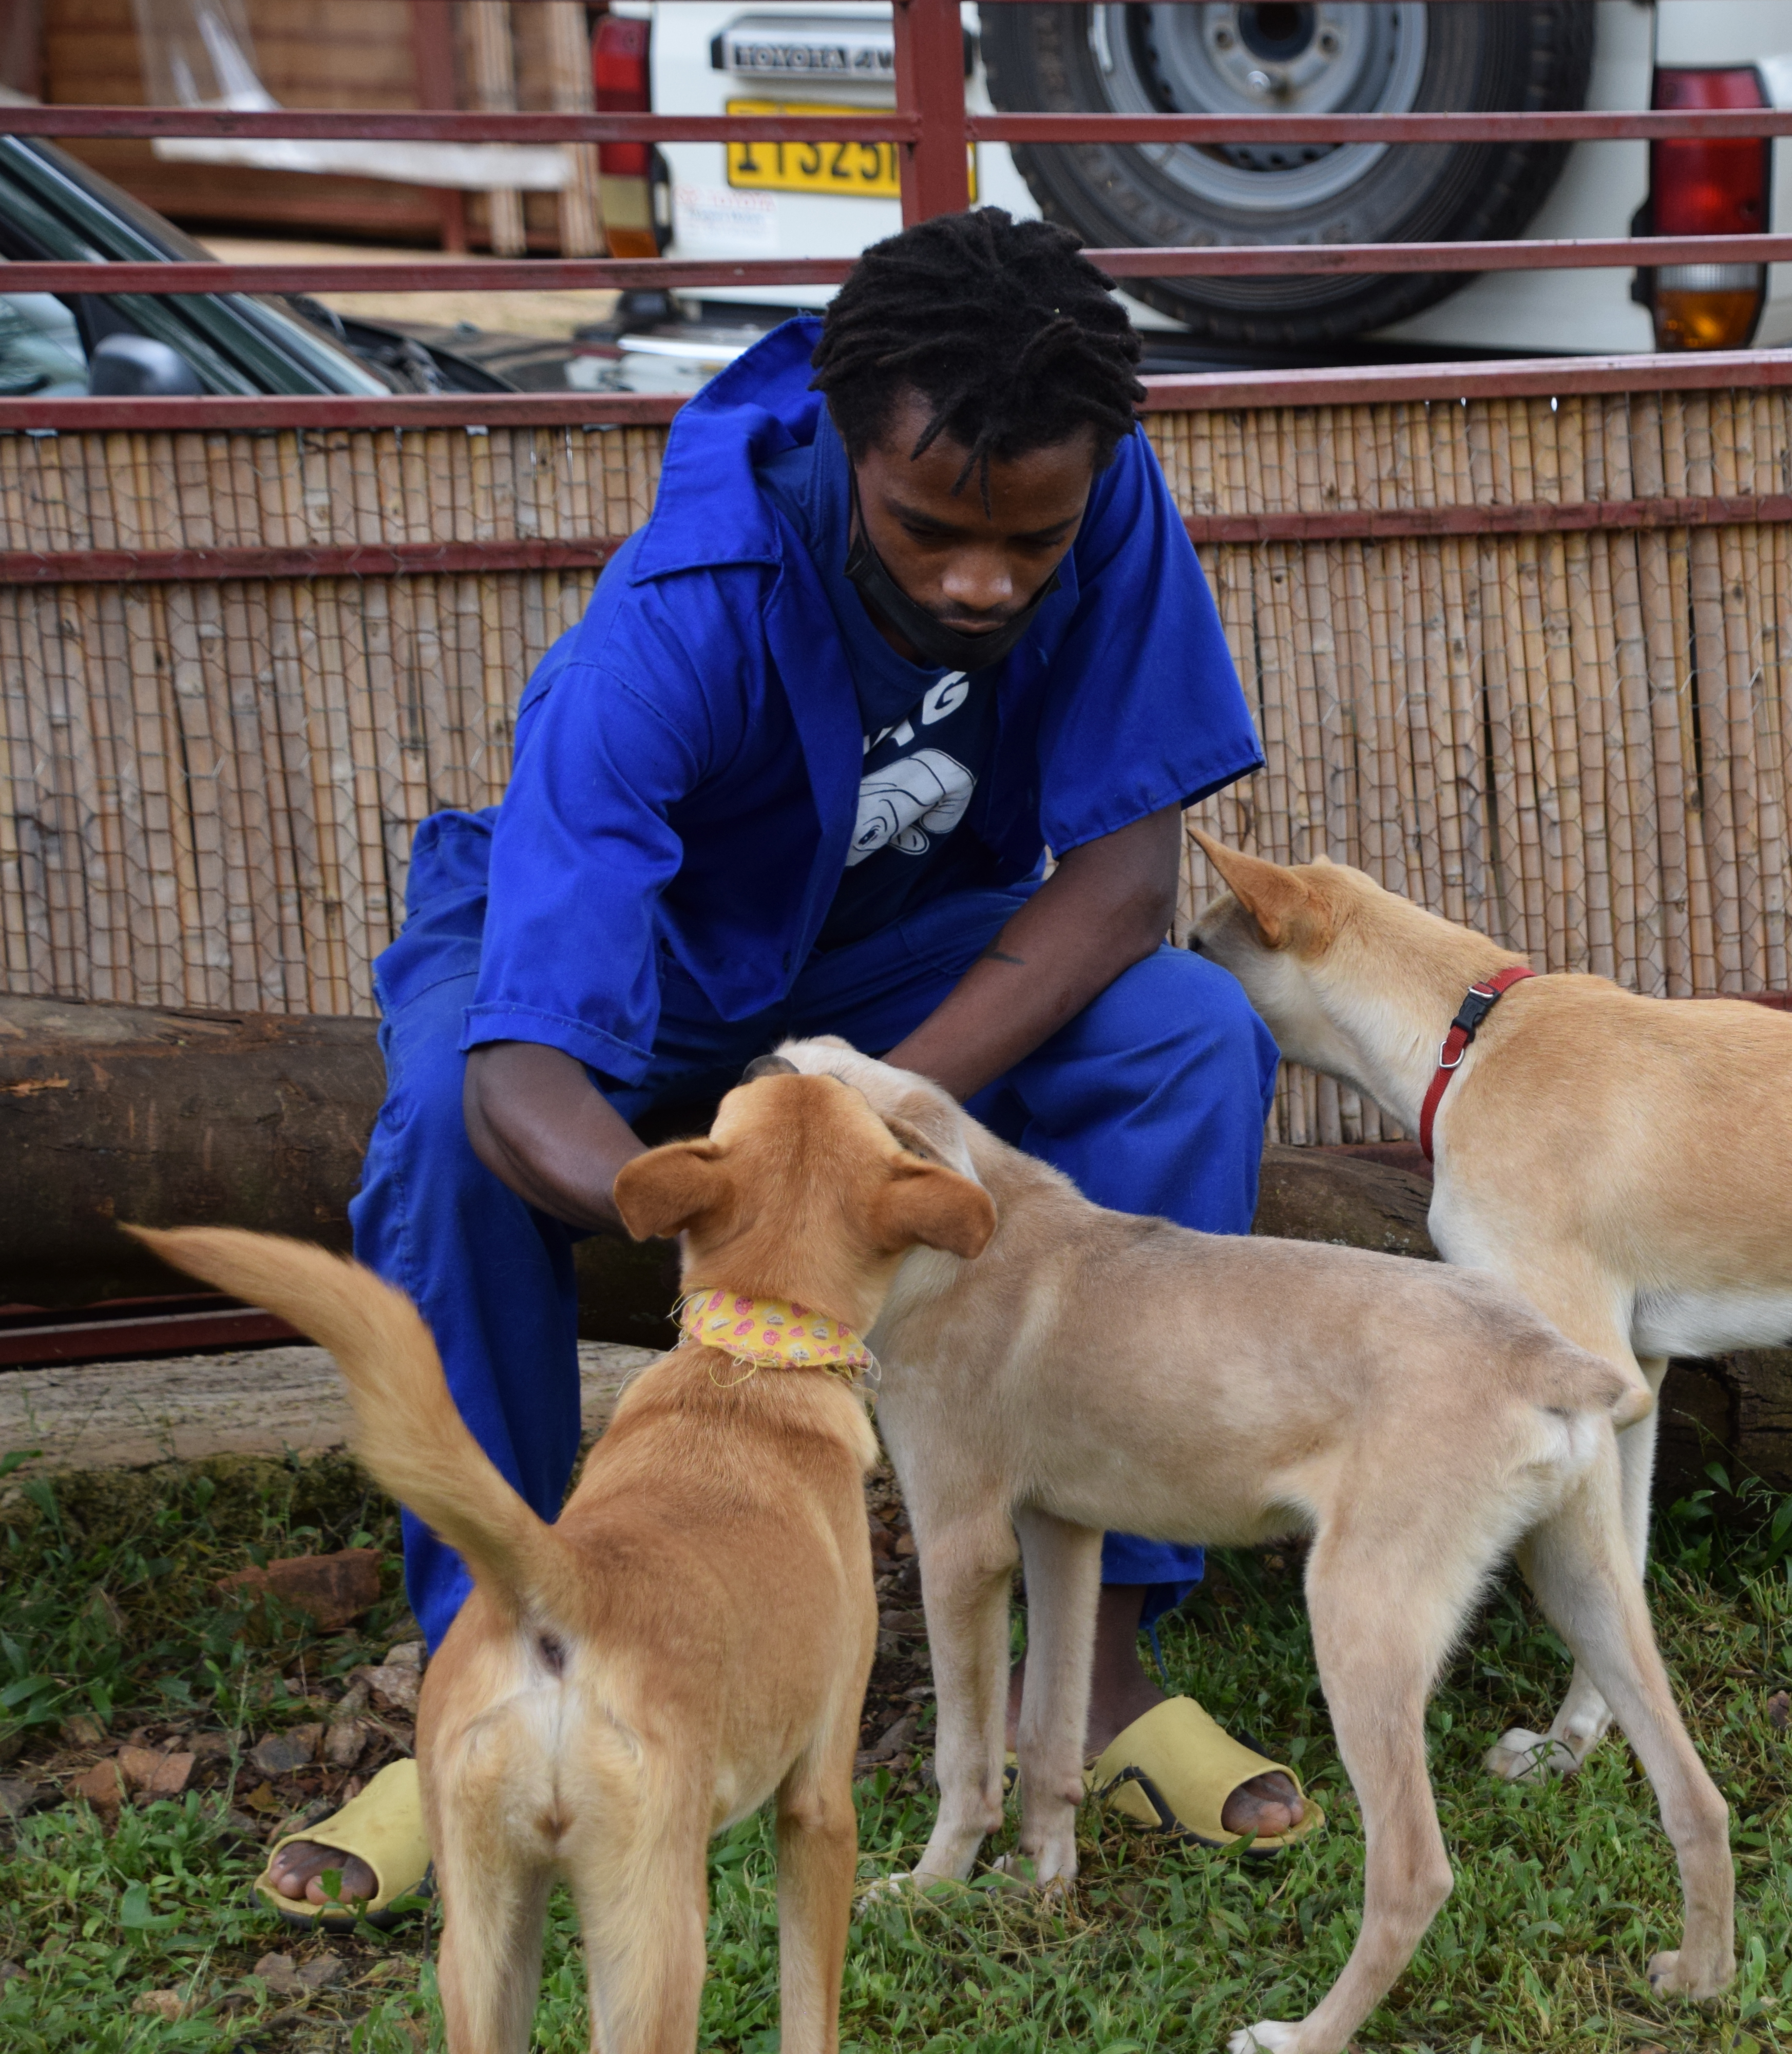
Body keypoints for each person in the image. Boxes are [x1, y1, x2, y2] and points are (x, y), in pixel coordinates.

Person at [258, 211, 1308, 1918]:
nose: (984, 579)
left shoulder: (1099, 489)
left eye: (1024, 542)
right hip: (637, 962)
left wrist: (866, 1115)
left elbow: (1122, 887)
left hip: (887, 952)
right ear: (843, 441)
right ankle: (482, 1686)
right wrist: (701, 1206)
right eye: (930, 531)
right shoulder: (681, 616)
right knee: (452, 1151)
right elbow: (526, 1061)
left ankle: (1098, 1673)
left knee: (1189, 1037)